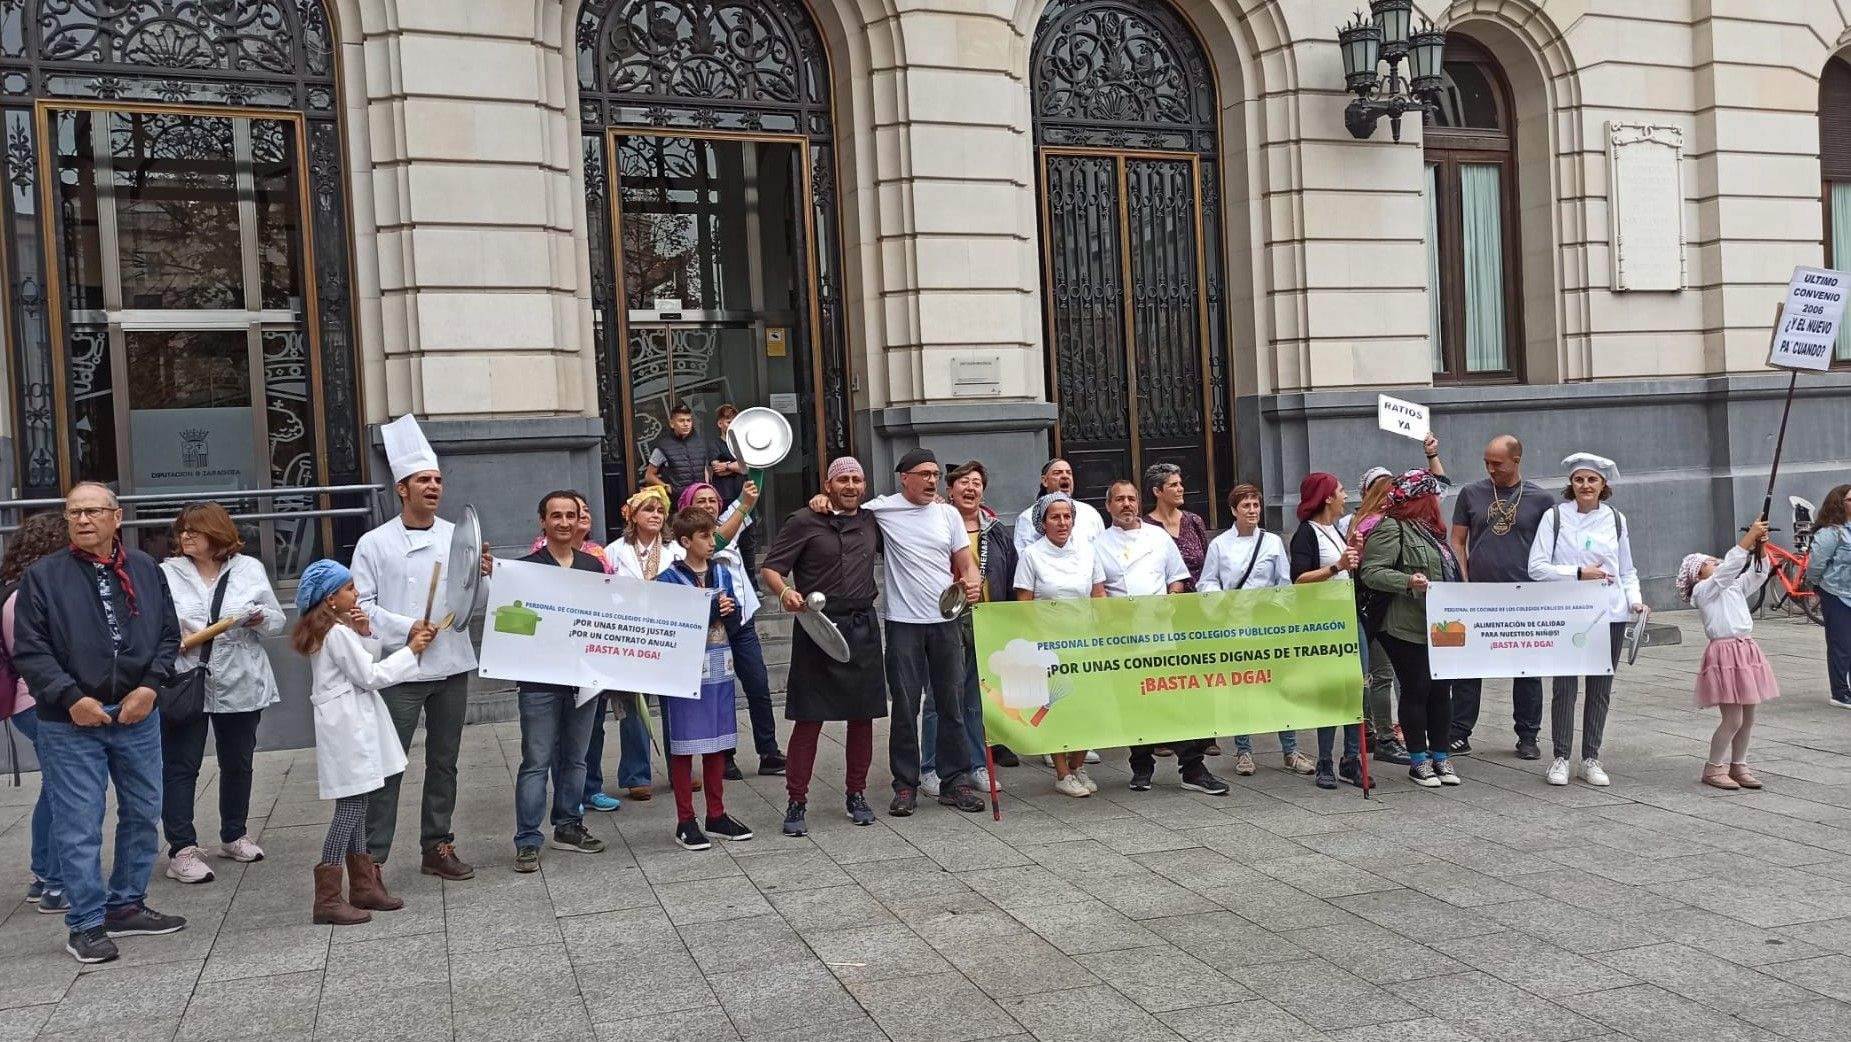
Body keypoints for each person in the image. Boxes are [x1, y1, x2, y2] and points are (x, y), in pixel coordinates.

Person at [13, 481, 185, 964]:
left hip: (137, 712)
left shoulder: (147, 570)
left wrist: (150, 687)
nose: (83, 520)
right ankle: (85, 923)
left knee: (143, 809)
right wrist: (69, 698)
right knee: (79, 822)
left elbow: (169, 636)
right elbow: (30, 649)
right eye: (74, 513)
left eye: (93, 511)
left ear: (117, 517)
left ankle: (126, 904)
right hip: (69, 721)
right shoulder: (43, 577)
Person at [353, 415, 489, 882]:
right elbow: (361, 608)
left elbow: (472, 602)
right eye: (422, 481)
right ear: (401, 489)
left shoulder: (458, 537)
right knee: (389, 765)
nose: (433, 487)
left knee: (445, 762)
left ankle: (438, 844)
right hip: (400, 672)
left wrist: (483, 575)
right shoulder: (374, 543)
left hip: (449, 665)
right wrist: (406, 627)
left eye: (437, 480)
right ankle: (371, 858)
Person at [292, 560, 434, 925]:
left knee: (359, 797)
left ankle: (362, 885)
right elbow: (369, 675)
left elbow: (357, 664)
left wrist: (364, 630)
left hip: (347, 723)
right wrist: (411, 650)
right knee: (352, 807)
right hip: (348, 726)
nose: (355, 594)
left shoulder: (333, 631)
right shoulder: (335, 635)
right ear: (331, 598)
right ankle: (327, 897)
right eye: (349, 589)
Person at [850, 448, 986, 815]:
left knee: (951, 703)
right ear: (903, 477)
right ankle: (906, 785)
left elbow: (965, 563)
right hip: (903, 623)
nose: (931, 481)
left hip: (945, 620)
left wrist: (972, 582)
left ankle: (954, 781)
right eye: (923, 474)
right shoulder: (882, 509)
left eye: (935, 475)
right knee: (906, 707)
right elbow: (844, 506)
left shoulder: (948, 515)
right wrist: (819, 498)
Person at [157, 502, 286, 885]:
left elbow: (276, 620)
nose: (185, 536)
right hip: (186, 678)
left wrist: (261, 619)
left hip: (240, 677)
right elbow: (154, 623)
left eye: (194, 530)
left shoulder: (248, 569)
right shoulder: (166, 573)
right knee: (181, 765)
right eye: (182, 530)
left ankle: (234, 834)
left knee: (238, 761)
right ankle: (182, 848)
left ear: (217, 532)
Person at [759, 457, 887, 837]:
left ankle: (857, 794)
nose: (851, 486)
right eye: (843, 479)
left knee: (862, 719)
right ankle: (796, 800)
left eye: (857, 479)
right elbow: (771, 567)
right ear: (828, 484)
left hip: (863, 625)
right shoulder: (803, 521)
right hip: (818, 627)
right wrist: (784, 592)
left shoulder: (872, 519)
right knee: (809, 719)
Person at [1097, 480, 1228, 796]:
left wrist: (1170, 600)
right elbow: (1097, 589)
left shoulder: (1158, 538)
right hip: (1123, 637)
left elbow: (1177, 579)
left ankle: (1192, 769)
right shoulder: (1098, 543)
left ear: (1138, 502)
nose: (1126, 504)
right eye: (1119, 499)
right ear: (1109, 506)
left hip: (1160, 634)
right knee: (1133, 704)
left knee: (1174, 701)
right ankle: (1141, 767)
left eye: (1131, 498)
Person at [1527, 453, 1642, 788]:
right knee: (1564, 687)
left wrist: (1635, 601)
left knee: (1600, 688)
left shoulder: (1616, 520)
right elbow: (1537, 567)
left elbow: (1627, 570)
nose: (1585, 486)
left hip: (1610, 612)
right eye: (1579, 480)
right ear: (1571, 485)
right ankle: (1561, 757)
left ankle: (1591, 757)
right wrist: (1577, 573)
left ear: (1603, 484)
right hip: (1567, 613)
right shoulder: (1555, 518)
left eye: (1592, 480)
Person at [513, 492, 609, 872]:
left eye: (571, 515)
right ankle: (527, 839)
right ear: (543, 521)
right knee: (536, 760)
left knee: (576, 758)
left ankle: (568, 826)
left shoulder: (592, 566)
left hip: (584, 677)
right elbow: (512, 621)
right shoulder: (525, 568)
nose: (565, 523)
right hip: (539, 681)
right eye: (556, 516)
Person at [1446, 435, 1553, 759]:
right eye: (1487, 463)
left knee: (1526, 669)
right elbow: (1458, 541)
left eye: (1498, 464)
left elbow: (1549, 549)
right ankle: (1459, 732)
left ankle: (1528, 736)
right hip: (1478, 594)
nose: (1491, 469)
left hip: (1524, 596)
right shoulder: (1471, 494)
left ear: (1516, 461)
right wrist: (1463, 581)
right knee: (1468, 667)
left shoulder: (1541, 500)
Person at [656, 507, 756, 849]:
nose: (712, 541)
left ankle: (716, 813)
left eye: (713, 534)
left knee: (717, 744)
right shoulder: (667, 579)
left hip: (720, 668)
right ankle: (686, 820)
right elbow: (667, 625)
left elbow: (737, 618)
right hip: (685, 672)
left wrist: (732, 613)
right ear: (686, 541)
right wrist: (709, 611)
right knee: (684, 747)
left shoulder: (722, 573)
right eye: (704, 536)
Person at [1198, 484, 1312, 778]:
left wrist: (1276, 609)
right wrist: (1223, 600)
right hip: (1235, 628)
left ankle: (1290, 750)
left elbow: (1284, 582)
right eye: (1246, 506)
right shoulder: (1220, 545)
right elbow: (1207, 583)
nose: (1252, 511)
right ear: (1234, 510)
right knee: (1241, 690)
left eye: (1255, 505)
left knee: (1279, 688)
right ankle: (1244, 751)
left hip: (1267, 627)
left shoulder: (1272, 542)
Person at [1360, 469, 1462, 789]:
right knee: (1417, 687)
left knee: (1440, 691)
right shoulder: (1392, 528)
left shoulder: (1431, 531)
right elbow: (1371, 572)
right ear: (1420, 499)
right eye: (1433, 497)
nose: (1437, 503)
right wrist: (1407, 582)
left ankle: (1441, 755)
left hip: (1438, 624)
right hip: (1402, 625)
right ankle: (1419, 759)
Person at [679, 480, 784, 779]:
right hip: (708, 629)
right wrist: (744, 505)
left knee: (758, 686)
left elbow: (754, 485)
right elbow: (720, 541)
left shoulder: (729, 521)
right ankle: (724, 756)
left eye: (713, 500)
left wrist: (745, 451)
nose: (710, 505)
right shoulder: (685, 539)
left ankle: (769, 752)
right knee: (719, 692)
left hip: (741, 620)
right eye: (701, 500)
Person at [929, 460, 1013, 794]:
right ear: (949, 489)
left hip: (987, 620)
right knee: (938, 698)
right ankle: (931, 767)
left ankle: (978, 764)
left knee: (977, 699)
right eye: (963, 481)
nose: (970, 488)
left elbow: (1010, 571)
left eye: (976, 482)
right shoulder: (936, 523)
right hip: (947, 620)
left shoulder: (995, 528)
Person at [1014, 492, 1106, 797]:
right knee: (1057, 707)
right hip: (1049, 645)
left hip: (1085, 641)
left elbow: (1099, 596)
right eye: (1055, 517)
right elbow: (1024, 605)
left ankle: (1079, 766)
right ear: (1043, 523)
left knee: (1088, 707)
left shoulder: (1088, 551)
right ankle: (1062, 772)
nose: (1062, 522)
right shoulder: (1031, 555)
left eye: (1067, 516)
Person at [1, 511, 69, 914]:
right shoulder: (25, 595)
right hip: (39, 701)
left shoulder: (14, 589)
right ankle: (58, 884)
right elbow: (33, 656)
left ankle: (43, 873)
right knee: (68, 790)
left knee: (53, 787)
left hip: (27, 702)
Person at [1680, 518, 1779, 790]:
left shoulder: (1733, 587)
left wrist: (1760, 548)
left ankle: (1739, 765)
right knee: (1733, 718)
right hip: (1725, 655)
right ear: (1697, 575)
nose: (1717, 563)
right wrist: (1748, 540)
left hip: (1745, 650)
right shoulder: (1704, 591)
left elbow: (1758, 574)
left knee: (1748, 717)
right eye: (1709, 563)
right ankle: (1713, 767)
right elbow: (1730, 567)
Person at [1288, 472, 1369, 790]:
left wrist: (1352, 554)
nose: (1344, 496)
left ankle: (1351, 759)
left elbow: (1345, 572)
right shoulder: (1306, 533)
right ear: (1326, 498)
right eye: (1339, 491)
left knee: (1356, 687)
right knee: (1330, 690)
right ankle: (1324, 761)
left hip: (1349, 617)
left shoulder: (1336, 530)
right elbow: (1299, 579)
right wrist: (1336, 566)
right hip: (1324, 623)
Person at [602, 486, 681, 802]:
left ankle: (681, 769)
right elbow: (603, 592)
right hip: (629, 637)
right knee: (634, 706)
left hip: (669, 636)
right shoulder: (612, 551)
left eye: (660, 511)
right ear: (632, 516)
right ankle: (636, 774)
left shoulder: (676, 551)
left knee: (676, 706)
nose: (655, 515)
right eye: (648, 510)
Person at [1343, 466, 1408, 766]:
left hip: (1366, 606)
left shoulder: (1359, 521)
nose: (1388, 500)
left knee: (1371, 675)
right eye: (1384, 495)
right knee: (1381, 675)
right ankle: (1385, 737)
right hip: (1377, 606)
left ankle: (1369, 730)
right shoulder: (1376, 524)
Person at [1805, 483, 1851, 709]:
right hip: (1835, 593)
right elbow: (1815, 566)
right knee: (1841, 643)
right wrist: (1818, 586)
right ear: (1839, 504)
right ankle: (1840, 692)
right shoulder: (1831, 533)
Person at [1014, 458, 1105, 552]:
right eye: (1057, 473)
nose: (1065, 476)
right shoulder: (1027, 518)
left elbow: (1102, 551)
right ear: (1045, 481)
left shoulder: (1090, 513)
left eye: (1069, 473)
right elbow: (1022, 555)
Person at [1143, 462, 1210, 588]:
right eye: (1173, 485)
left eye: (1180, 484)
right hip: (1165, 601)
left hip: (1200, 599)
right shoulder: (1145, 527)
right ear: (1157, 491)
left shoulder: (1194, 521)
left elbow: (1208, 564)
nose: (1180, 488)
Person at [709, 404, 757, 569]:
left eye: (735, 421)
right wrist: (736, 466)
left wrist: (727, 466)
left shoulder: (744, 443)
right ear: (720, 424)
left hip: (745, 496)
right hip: (725, 498)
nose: (732, 424)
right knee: (726, 538)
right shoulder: (715, 444)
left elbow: (748, 467)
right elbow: (716, 468)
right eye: (728, 421)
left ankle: (752, 582)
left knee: (748, 541)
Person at [645, 402, 724, 493]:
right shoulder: (663, 446)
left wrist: (707, 485)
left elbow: (702, 467)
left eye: (689, 420)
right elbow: (649, 476)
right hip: (678, 500)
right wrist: (667, 488)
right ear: (672, 424)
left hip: (699, 497)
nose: (686, 424)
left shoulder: (699, 443)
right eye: (681, 421)